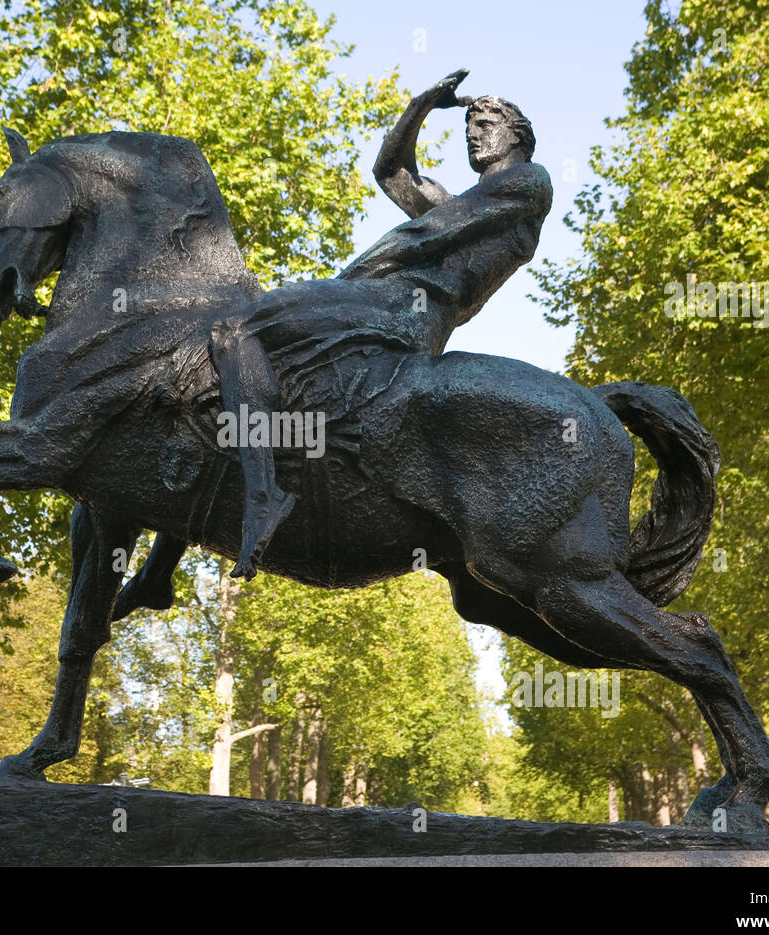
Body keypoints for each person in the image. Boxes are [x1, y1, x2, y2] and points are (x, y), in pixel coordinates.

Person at [209, 68, 553, 579]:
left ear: (517, 134)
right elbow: (391, 173)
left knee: (234, 331)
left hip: (400, 309)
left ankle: (262, 495)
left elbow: (427, 236)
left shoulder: (527, 182)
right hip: (388, 302)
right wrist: (419, 107)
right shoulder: (469, 203)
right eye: (469, 127)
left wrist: (346, 281)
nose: (474, 135)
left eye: (485, 124)